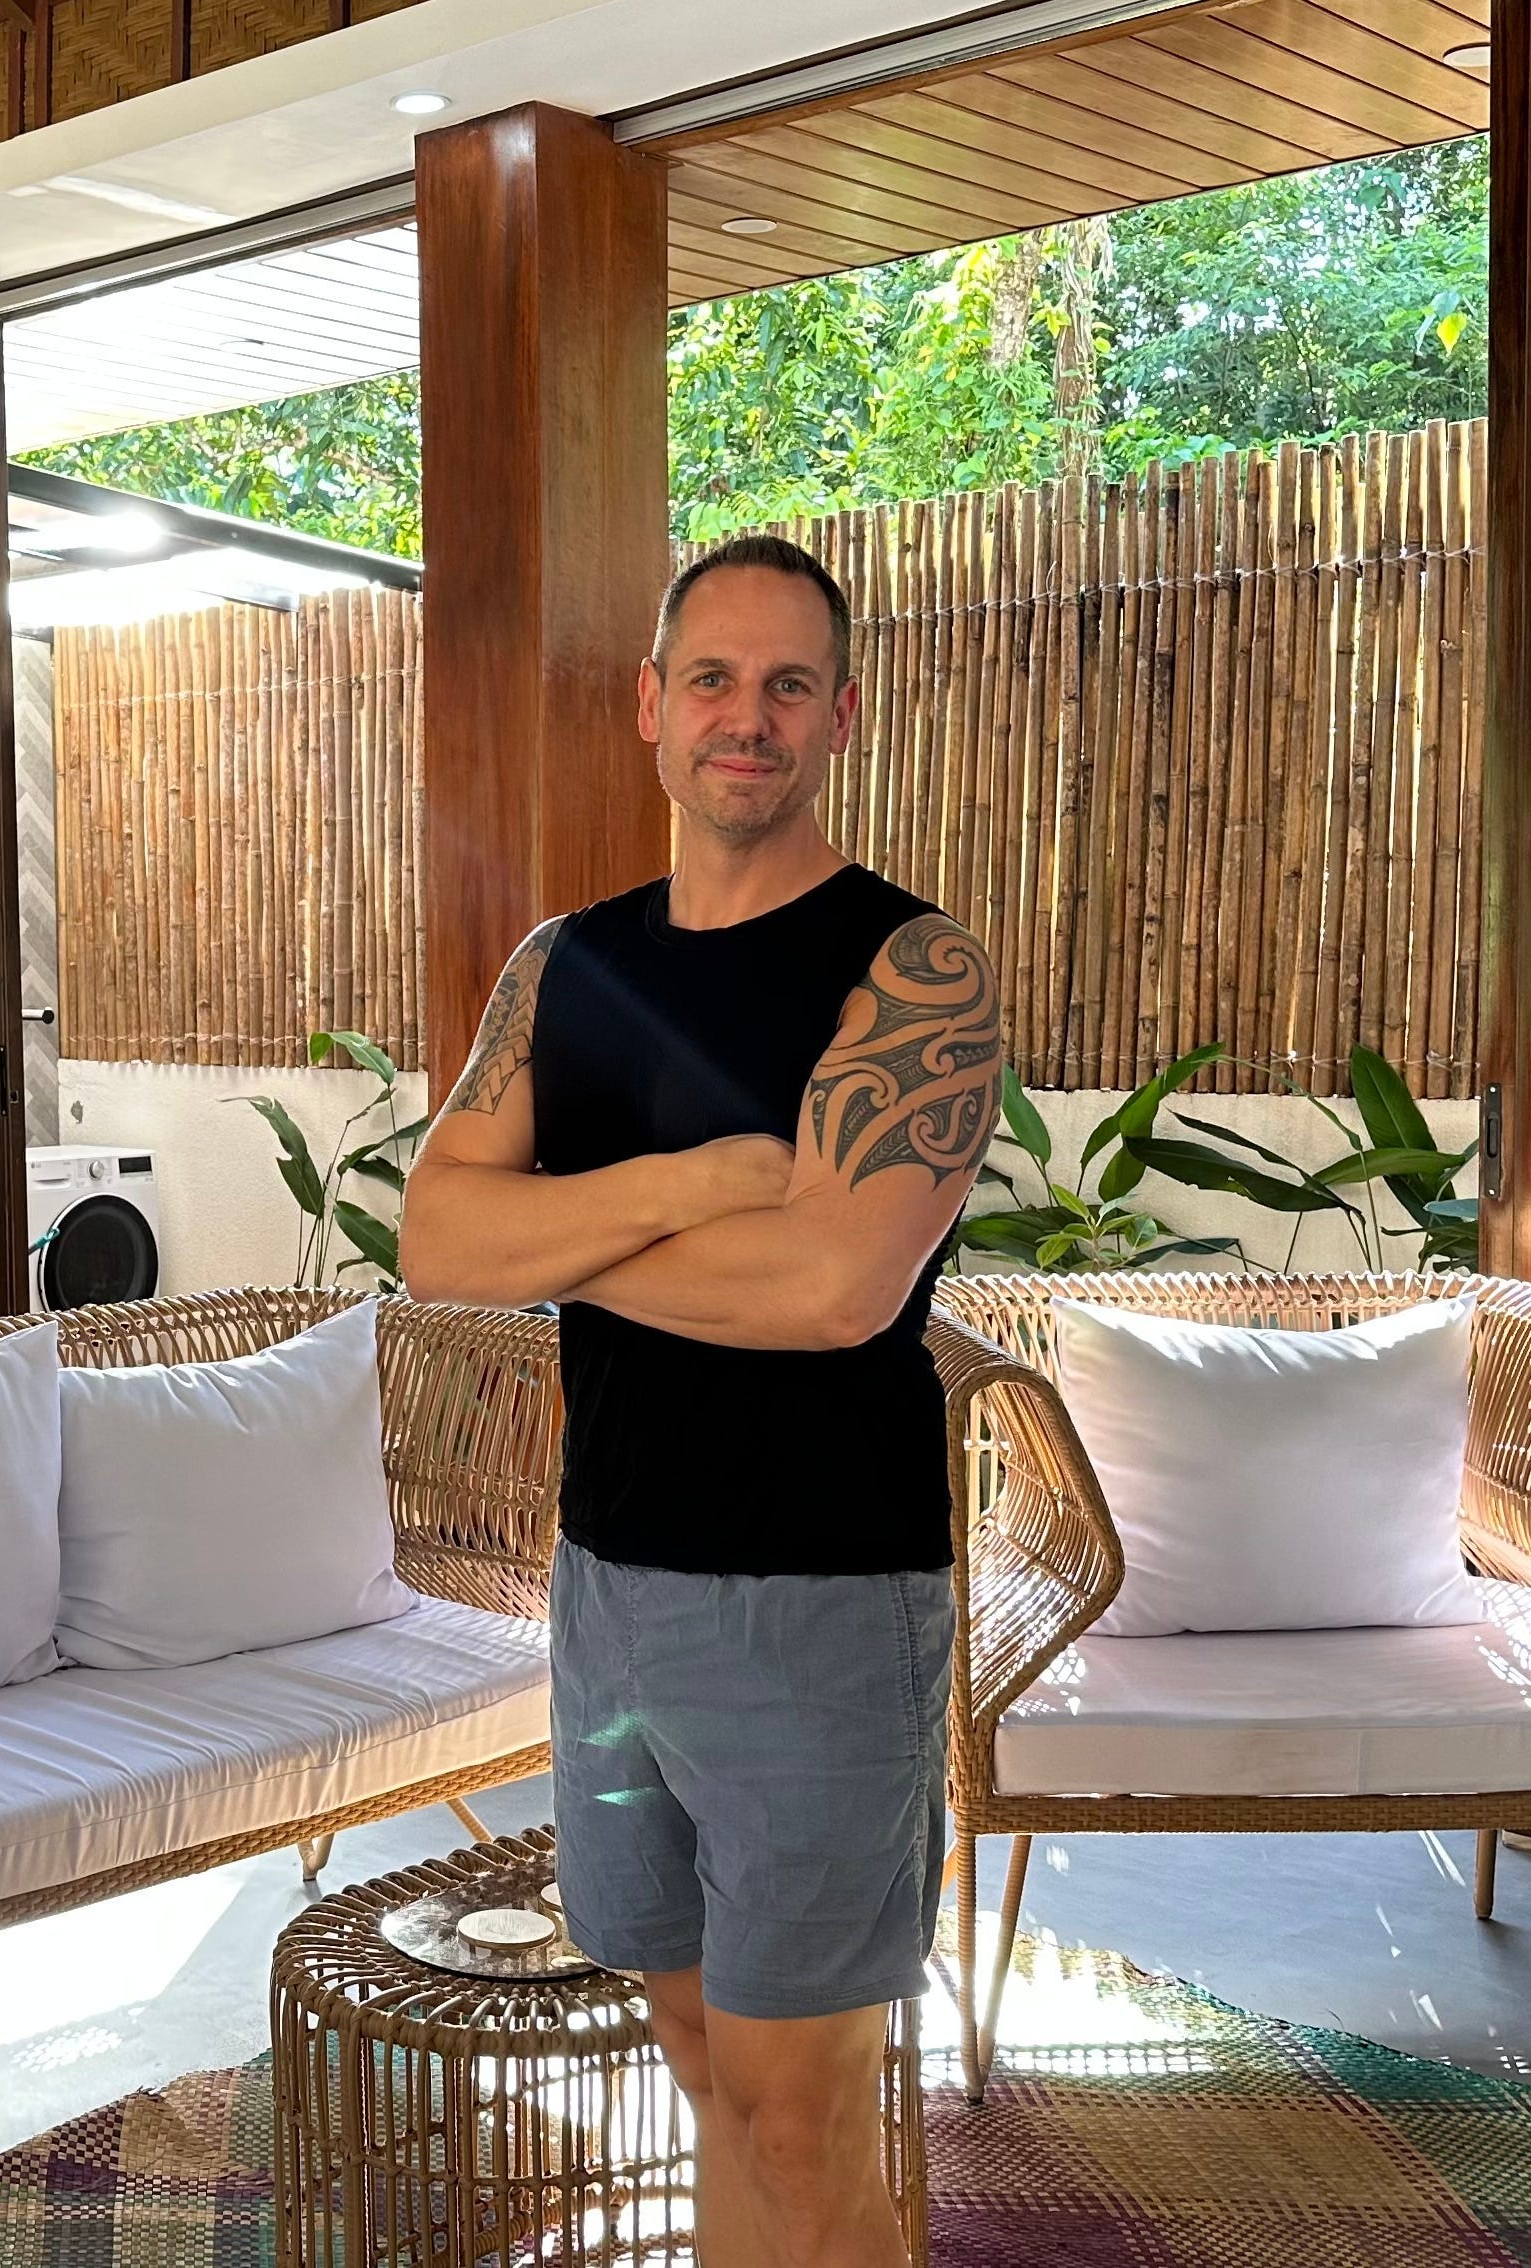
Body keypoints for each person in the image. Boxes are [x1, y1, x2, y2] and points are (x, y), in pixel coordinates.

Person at [401, 534, 1002, 2268]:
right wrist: (715, 1176)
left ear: (843, 715)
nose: (751, 717)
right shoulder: (562, 967)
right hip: (608, 1596)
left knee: (804, 2124)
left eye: (790, 683)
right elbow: (439, 1236)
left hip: (826, 1601)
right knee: (699, 2071)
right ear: (652, 710)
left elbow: (834, 1290)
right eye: (716, 680)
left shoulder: (915, 972)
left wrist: (558, 1238)